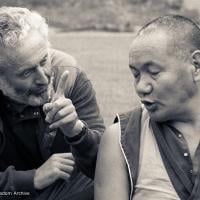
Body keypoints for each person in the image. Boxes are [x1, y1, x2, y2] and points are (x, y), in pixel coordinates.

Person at [0, 6, 105, 200]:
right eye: (26, 72)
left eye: (43, 61)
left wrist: (76, 131)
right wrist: (30, 179)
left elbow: (104, 165)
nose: (43, 78)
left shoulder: (70, 76)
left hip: (62, 191)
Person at [94, 15, 200, 200]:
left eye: (154, 72)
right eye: (136, 75)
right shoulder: (122, 139)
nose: (141, 87)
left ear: (196, 65)